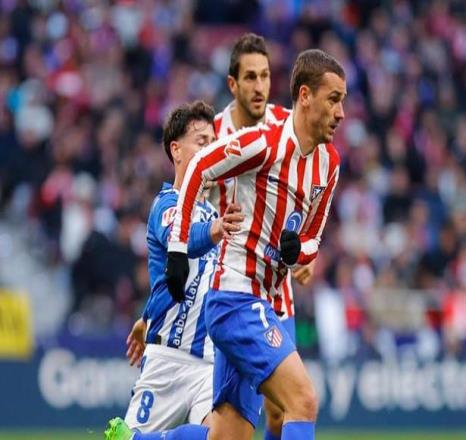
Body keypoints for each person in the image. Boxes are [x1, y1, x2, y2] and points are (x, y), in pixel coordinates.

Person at [167, 49, 346, 440]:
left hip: (266, 300)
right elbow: (199, 166)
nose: (341, 113)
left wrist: (297, 252)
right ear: (305, 96)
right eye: (333, 100)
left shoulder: (329, 164)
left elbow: (313, 239)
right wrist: (178, 248)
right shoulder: (263, 144)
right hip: (236, 297)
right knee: (302, 400)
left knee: (228, 436)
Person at [104, 101, 244, 440]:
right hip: (168, 359)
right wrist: (215, 231)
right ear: (176, 150)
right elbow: (180, 242)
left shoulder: (216, 213)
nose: (210, 150)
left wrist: (145, 315)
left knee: (223, 436)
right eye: (201, 141)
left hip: (208, 362)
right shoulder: (167, 205)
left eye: (213, 142)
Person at [211, 33, 315, 440]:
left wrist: (306, 250)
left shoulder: (287, 127)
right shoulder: (213, 135)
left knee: (279, 411)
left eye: (266, 76)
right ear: (232, 83)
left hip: (276, 292)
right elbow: (191, 201)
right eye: (250, 77)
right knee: (230, 426)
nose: (260, 86)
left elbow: (309, 192)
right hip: (230, 286)